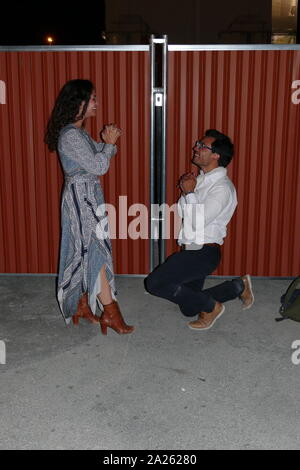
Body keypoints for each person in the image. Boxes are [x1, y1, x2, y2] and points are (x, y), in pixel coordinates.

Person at [45, 79, 134, 335]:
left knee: (84, 250)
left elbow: (98, 155)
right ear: (79, 102)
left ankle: (81, 306)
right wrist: (109, 144)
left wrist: (108, 143)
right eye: (92, 98)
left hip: (87, 195)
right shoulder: (71, 135)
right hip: (81, 198)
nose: (96, 103)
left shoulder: (77, 132)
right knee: (97, 252)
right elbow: (99, 165)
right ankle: (110, 313)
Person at [144, 129, 254, 331]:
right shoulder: (202, 180)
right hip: (191, 249)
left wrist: (190, 192)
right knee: (188, 307)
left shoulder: (222, 188)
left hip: (204, 252)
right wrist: (190, 192)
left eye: (202, 146)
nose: (196, 148)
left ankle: (212, 307)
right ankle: (238, 287)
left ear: (216, 155)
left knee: (155, 283)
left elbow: (197, 221)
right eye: (198, 144)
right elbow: (183, 210)